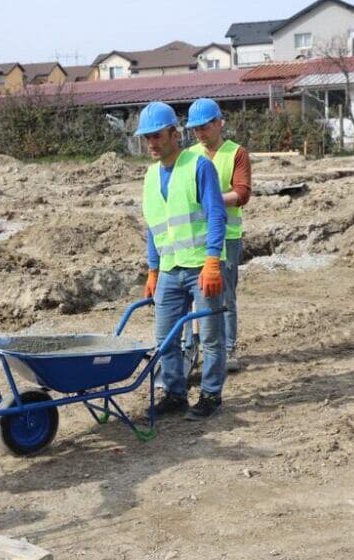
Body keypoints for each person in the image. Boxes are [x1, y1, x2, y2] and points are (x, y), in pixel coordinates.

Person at [137, 101, 228, 420]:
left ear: (174, 134)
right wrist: (152, 269)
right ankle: (175, 394)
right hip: (169, 270)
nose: (151, 143)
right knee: (165, 338)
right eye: (146, 137)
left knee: (211, 335)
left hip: (202, 266)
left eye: (157, 135)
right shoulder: (149, 177)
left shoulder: (198, 166)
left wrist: (213, 261)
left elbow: (217, 215)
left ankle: (211, 395)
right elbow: (153, 226)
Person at [185, 98, 252, 373]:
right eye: (195, 129)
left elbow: (242, 193)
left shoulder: (235, 153)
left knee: (225, 294)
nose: (200, 133)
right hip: (196, 236)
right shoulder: (189, 156)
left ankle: (228, 348)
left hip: (228, 234)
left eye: (204, 127)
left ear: (218, 123)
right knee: (193, 294)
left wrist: (211, 199)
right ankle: (191, 348)